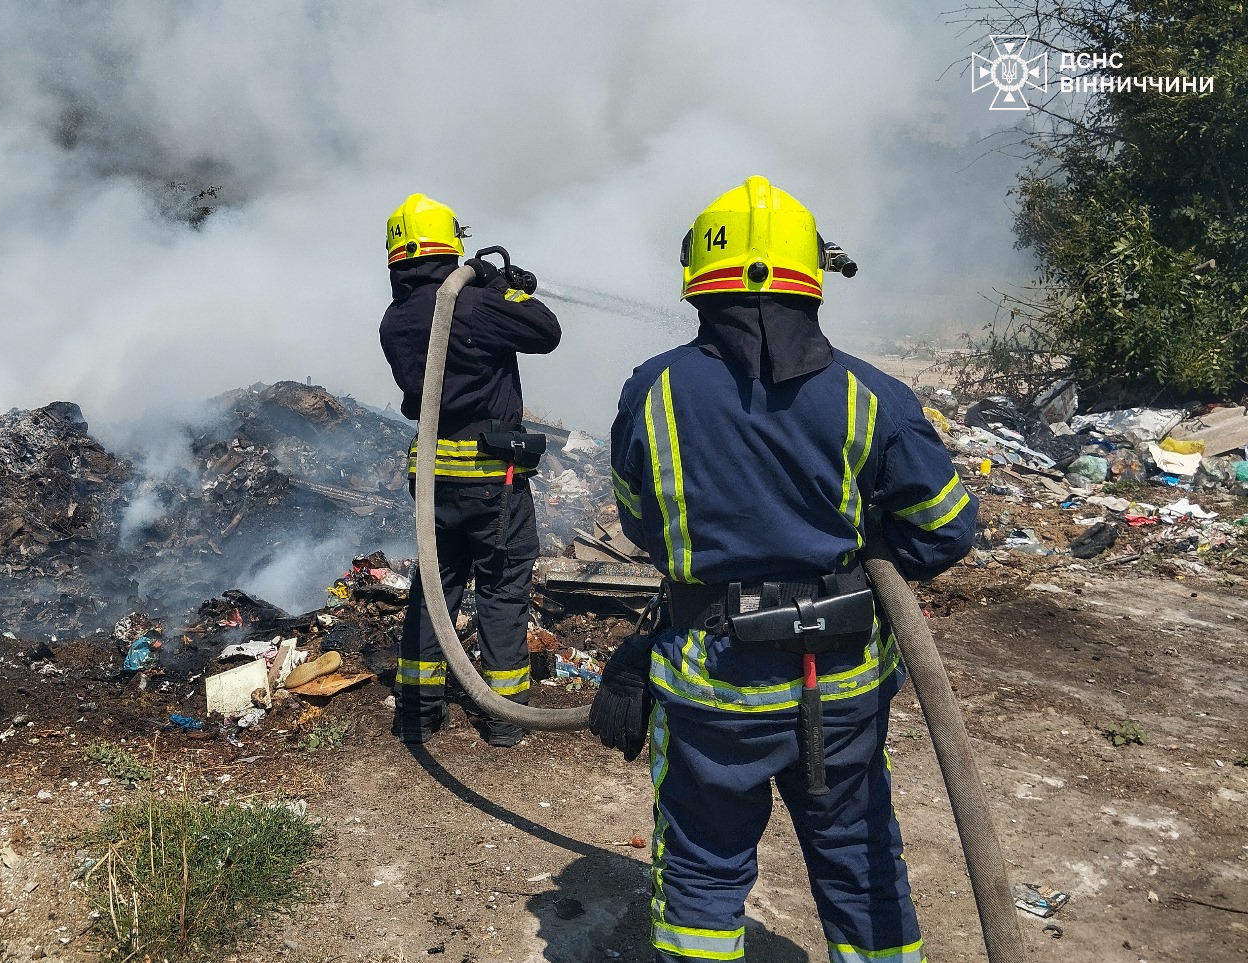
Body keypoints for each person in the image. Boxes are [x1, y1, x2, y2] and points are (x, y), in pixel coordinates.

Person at [591, 176, 977, 962]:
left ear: (700, 278)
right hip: (838, 683)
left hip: (712, 682)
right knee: (863, 863)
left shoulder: (654, 389)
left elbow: (639, 520)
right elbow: (947, 528)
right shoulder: (873, 396)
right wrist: (861, 551)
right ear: (816, 276)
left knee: (702, 867)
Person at [379, 192, 561, 747]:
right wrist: (503, 287)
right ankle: (504, 717)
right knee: (502, 588)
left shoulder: (397, 318)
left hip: (433, 478)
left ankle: (417, 713)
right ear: (450, 243)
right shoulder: (473, 305)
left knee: (436, 584)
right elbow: (545, 332)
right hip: (491, 477)